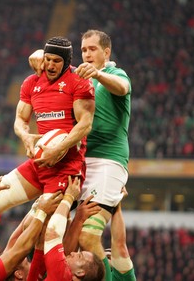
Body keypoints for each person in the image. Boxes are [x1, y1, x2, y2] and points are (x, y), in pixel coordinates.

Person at [29, 29, 134, 280]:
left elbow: (123, 88)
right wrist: (38, 55)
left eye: (93, 49)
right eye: (84, 49)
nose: (87, 54)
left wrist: (98, 73)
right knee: (49, 225)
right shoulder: (76, 77)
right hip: (79, 162)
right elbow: (50, 61)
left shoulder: (113, 74)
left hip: (108, 161)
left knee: (88, 236)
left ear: (106, 52)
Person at [0, 36, 95, 218]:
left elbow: (85, 124)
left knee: (43, 228)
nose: (51, 66)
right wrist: (25, 136)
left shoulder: (79, 81)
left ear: (66, 62)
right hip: (41, 162)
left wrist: (58, 148)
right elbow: (20, 118)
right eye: (48, 60)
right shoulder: (31, 82)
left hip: (66, 167)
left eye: (57, 61)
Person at [43, 176, 105, 281]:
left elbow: (52, 233)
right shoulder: (65, 275)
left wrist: (69, 197)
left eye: (79, 256)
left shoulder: (61, 276)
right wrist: (78, 220)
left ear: (80, 273)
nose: (73, 253)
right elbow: (63, 255)